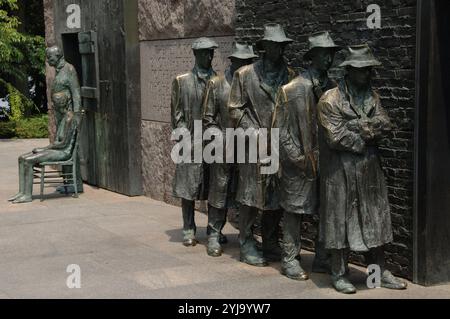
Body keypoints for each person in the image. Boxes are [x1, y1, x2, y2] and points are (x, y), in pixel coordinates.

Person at [317, 44, 407, 294]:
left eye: (369, 70)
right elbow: (335, 136)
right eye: (362, 70)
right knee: (340, 224)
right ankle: (339, 273)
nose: (368, 74)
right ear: (349, 71)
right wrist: (366, 136)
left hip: (369, 171)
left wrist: (359, 126)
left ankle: (378, 273)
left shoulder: (372, 96)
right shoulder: (330, 99)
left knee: (375, 221)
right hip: (341, 172)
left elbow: (386, 125)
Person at [273, 31, 341, 280]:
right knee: (294, 211)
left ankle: (322, 257)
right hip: (298, 163)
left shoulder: (334, 89)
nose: (329, 59)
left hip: (328, 162)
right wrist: (297, 158)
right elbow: (279, 130)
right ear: (312, 57)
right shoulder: (291, 89)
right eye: (324, 54)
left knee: (326, 209)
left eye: (331, 54)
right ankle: (289, 258)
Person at [229, 24, 296, 266]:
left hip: (281, 145)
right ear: (264, 48)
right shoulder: (245, 75)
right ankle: (246, 242)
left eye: (281, 46)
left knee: (277, 196)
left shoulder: (291, 75)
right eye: (273, 46)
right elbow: (235, 110)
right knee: (250, 196)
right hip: (253, 145)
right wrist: (255, 133)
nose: (277, 50)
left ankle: (269, 240)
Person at [203, 43, 258, 257]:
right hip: (224, 146)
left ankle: (247, 234)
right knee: (219, 191)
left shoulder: (253, 85)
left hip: (249, 148)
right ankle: (214, 233)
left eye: (248, 62)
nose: (245, 66)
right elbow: (208, 118)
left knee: (247, 193)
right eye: (241, 62)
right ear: (232, 61)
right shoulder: (216, 84)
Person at [171, 37, 218, 246]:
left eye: (212, 53)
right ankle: (188, 228)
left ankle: (213, 229)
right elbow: (176, 114)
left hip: (212, 142)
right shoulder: (181, 81)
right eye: (206, 53)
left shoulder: (218, 80)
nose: (210, 56)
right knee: (188, 188)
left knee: (213, 187)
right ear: (196, 55)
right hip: (190, 142)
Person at [9, 111, 81, 204]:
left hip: (63, 153)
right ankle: (21, 192)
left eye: (59, 103)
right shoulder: (63, 119)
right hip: (57, 150)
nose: (56, 107)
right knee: (21, 158)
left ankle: (27, 195)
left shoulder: (70, 120)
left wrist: (43, 149)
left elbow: (64, 143)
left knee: (27, 160)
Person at [45, 46, 83, 193]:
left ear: (58, 55)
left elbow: (76, 93)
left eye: (50, 57)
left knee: (71, 148)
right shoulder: (58, 70)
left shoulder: (69, 69)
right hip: (60, 115)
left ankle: (76, 183)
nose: (48, 60)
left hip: (69, 116)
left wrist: (77, 115)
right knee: (62, 147)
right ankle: (68, 182)